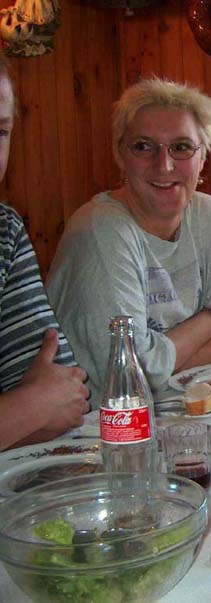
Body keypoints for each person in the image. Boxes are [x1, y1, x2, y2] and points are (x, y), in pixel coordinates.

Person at [47, 77, 211, 405]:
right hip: (105, 423)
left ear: (203, 157)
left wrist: (160, 362)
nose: (164, 165)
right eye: (143, 146)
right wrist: (210, 318)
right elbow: (132, 369)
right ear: (120, 155)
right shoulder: (100, 228)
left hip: (195, 412)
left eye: (181, 147)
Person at [0, 58, 89, 451]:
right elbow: (43, 405)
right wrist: (29, 407)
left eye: (0, 131)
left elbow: (65, 399)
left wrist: (27, 410)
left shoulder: (4, 231)